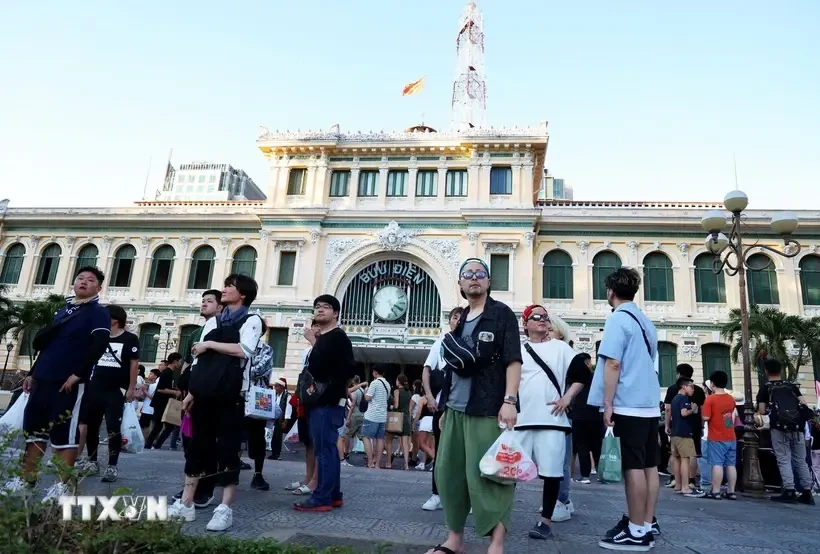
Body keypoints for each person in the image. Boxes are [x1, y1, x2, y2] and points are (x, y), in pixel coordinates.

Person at [425, 258, 521, 554]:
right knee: (449, 474)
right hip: (454, 409)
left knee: (492, 474)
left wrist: (509, 401)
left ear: (489, 282)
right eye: (468, 274)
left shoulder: (501, 314)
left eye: (480, 274)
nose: (474, 278)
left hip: (488, 407)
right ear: (460, 284)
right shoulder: (459, 319)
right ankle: (455, 539)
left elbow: (512, 360)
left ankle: (496, 542)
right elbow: (452, 367)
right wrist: (443, 408)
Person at [3, 267, 111, 499]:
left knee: (65, 434)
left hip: (68, 382)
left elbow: (99, 345)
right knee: (34, 432)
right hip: (43, 379)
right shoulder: (63, 310)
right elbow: (47, 347)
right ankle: (26, 479)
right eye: (80, 278)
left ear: (98, 288)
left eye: (90, 280)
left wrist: (78, 375)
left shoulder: (98, 313)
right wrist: (32, 373)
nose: (83, 282)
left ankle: (63, 487)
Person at [168, 274, 264, 530]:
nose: (224, 289)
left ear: (242, 293)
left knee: (228, 449)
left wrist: (210, 343)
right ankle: (187, 502)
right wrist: (192, 392)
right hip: (205, 393)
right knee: (197, 448)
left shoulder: (252, 320)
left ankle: (224, 508)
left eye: (229, 286)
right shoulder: (214, 321)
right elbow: (199, 360)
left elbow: (245, 350)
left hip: (232, 394)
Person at [587, 267, 660, 551]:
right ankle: (647, 521)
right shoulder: (645, 321)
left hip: (628, 403)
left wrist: (607, 402)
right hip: (648, 404)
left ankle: (636, 530)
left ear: (610, 291)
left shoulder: (618, 319)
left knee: (633, 468)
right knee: (649, 466)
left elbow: (613, 363)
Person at [515, 305, 585, 541]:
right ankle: (500, 515)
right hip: (521, 420)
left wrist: (567, 397)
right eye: (537, 316)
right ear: (526, 324)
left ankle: (545, 521)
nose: (543, 320)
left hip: (553, 420)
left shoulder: (560, 348)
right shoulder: (517, 350)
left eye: (545, 317)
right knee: (509, 471)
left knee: (552, 473)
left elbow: (583, 375)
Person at [293, 294, 355, 512]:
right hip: (322, 401)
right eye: (317, 306)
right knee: (327, 448)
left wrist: (313, 341)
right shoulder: (327, 338)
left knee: (324, 450)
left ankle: (322, 498)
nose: (319, 310)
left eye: (325, 307)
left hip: (327, 402)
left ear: (335, 313)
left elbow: (343, 368)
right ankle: (333, 494)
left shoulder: (337, 337)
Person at [77, 304, 140, 482]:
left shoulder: (130, 339)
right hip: (94, 387)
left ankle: (112, 465)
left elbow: (134, 364)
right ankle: (92, 461)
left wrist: (131, 388)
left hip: (115, 390)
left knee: (113, 427)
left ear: (114, 319)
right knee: (92, 425)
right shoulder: (98, 337)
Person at [421, 306, 463, 511]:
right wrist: (429, 396)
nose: (459, 320)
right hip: (443, 404)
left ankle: (466, 497)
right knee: (441, 451)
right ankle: (436, 493)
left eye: (462, 317)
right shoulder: (441, 343)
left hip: (465, 406)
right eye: (455, 317)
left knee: (466, 452)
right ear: (450, 321)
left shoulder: (471, 343)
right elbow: (427, 369)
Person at [757, 358, 815, 505]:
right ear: (781, 371)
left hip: (779, 427)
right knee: (801, 460)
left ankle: (789, 489)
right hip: (798, 428)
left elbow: (762, 411)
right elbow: (804, 404)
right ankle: (807, 491)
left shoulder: (765, 388)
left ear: (766, 371)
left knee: (783, 458)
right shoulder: (791, 386)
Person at [544, 314, 576, 522]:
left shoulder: (567, 353)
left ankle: (561, 500)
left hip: (562, 414)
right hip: (542, 414)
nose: (546, 333)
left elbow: (581, 379)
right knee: (548, 461)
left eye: (550, 330)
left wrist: (566, 399)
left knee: (560, 460)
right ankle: (554, 498)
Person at [286, 321, 320, 496]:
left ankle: (316, 479)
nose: (316, 330)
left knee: (318, 441)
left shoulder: (325, 346)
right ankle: (308, 477)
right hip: (305, 398)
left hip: (319, 399)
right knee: (308, 441)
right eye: (314, 326)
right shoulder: (306, 352)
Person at [663, 363, 705, 490]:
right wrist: (702, 425)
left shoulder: (672, 389)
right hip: (693, 426)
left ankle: (676, 479)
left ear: (679, 374)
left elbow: (668, 409)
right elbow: (701, 409)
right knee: (692, 454)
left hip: (676, 426)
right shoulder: (697, 390)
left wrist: (667, 424)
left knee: (675, 455)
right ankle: (690, 481)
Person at [701, 370, 738, 499]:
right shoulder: (730, 399)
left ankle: (715, 491)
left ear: (712, 384)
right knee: (731, 464)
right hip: (730, 436)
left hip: (716, 437)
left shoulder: (710, 399)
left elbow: (705, 417)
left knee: (717, 464)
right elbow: (728, 418)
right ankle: (731, 491)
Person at [569, 353, 602, 485]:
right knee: (597, 445)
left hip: (578, 415)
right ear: (588, 363)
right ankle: (601, 472)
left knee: (582, 446)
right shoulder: (595, 378)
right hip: (594, 414)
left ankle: (585, 475)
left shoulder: (573, 378)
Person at [145, 352, 183, 449]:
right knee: (164, 426)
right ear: (175, 361)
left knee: (160, 426)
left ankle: (151, 444)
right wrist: (175, 392)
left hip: (162, 403)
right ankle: (154, 445)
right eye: (179, 361)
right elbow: (161, 389)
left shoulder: (168, 372)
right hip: (161, 403)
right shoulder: (167, 372)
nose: (180, 364)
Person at [362, 366, 391, 469]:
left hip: (372, 415)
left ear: (375, 373)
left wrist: (365, 392)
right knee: (380, 439)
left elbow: (368, 398)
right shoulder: (387, 384)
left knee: (366, 437)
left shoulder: (374, 383)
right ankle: (377, 464)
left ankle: (370, 462)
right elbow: (386, 398)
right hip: (383, 416)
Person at [385, 374, 412, 470]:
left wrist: (391, 407)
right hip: (406, 418)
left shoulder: (397, 391)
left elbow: (396, 405)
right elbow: (409, 408)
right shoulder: (409, 392)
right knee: (405, 443)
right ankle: (406, 465)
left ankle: (388, 462)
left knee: (389, 440)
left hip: (396, 418)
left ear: (398, 381)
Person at [339, 376, 366, 467]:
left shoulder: (353, 391)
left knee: (345, 435)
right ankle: (371, 456)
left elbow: (352, 403)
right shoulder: (362, 390)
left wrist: (349, 416)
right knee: (363, 437)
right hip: (361, 414)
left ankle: (344, 453)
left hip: (353, 415)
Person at [269, 378, 292, 461]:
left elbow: (289, 409)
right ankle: (273, 453)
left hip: (281, 420)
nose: (275, 388)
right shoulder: (275, 395)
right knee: (273, 437)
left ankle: (277, 454)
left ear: (282, 387)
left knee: (278, 437)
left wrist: (286, 421)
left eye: (277, 386)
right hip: (274, 419)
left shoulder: (287, 396)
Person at [140, 369, 161, 439]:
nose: (149, 375)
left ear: (155, 376)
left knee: (146, 427)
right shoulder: (148, 384)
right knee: (143, 426)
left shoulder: (156, 386)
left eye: (151, 374)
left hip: (150, 410)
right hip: (146, 409)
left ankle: (146, 442)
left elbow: (154, 398)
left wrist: (145, 391)